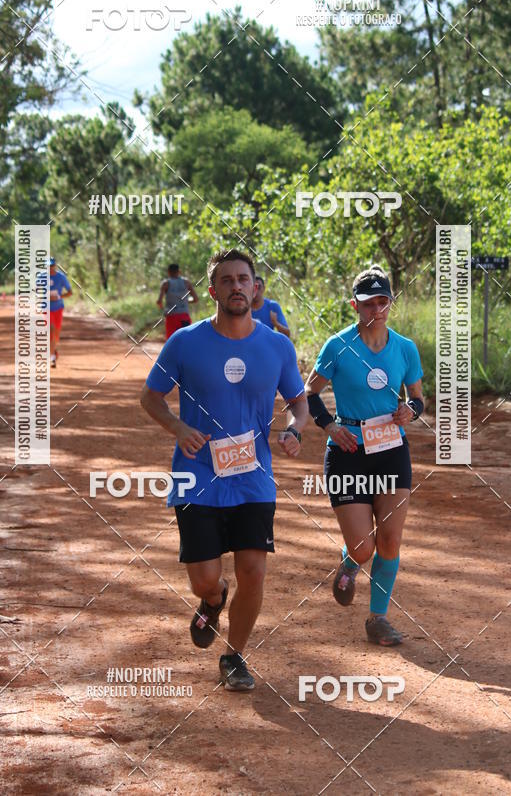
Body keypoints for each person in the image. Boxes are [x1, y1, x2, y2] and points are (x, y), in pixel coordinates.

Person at [141, 248, 308, 690]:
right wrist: (177, 427)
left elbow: (299, 400)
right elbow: (150, 397)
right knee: (205, 580)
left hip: (254, 479)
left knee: (253, 569)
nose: (237, 286)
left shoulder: (276, 345)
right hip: (197, 479)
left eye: (244, 279)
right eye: (227, 280)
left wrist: (296, 429)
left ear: (256, 288)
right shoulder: (185, 343)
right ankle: (213, 601)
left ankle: (234, 656)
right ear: (212, 290)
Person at [305, 264, 424, 647]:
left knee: (389, 541)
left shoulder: (405, 348)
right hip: (348, 449)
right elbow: (308, 392)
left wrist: (411, 410)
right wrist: (329, 426)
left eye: (382, 301)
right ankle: (350, 561)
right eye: (368, 302)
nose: (376, 308)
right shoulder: (337, 346)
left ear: (390, 303)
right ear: (354, 305)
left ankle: (378, 619)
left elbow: (419, 398)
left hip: (391, 448)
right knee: (363, 546)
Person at [157, 263, 198, 339]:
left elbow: (159, 302)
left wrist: (163, 308)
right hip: (184, 316)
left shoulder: (166, 284)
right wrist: (185, 301)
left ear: (168, 272)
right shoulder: (186, 282)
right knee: (185, 341)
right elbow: (196, 299)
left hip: (171, 316)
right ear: (179, 271)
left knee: (171, 341)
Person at [48, 257, 72, 368]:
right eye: (48, 266)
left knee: (56, 334)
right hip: (46, 309)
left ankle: (54, 348)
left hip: (58, 308)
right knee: (51, 330)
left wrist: (58, 296)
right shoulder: (41, 278)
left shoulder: (61, 277)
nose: (50, 268)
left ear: (55, 266)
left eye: (52, 266)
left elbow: (70, 292)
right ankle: (52, 358)